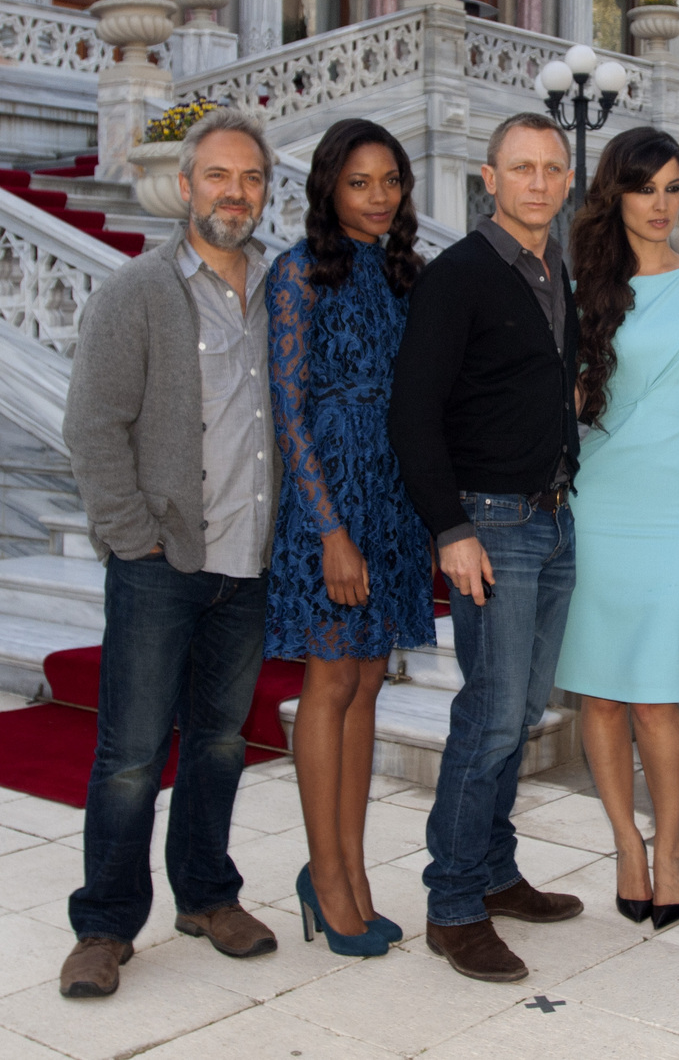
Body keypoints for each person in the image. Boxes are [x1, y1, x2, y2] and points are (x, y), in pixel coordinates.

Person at [58, 107, 282, 999]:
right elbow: (92, 426)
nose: (236, 193)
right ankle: (106, 925)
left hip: (250, 562)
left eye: (252, 178)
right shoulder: (137, 292)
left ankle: (206, 894)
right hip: (161, 563)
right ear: (186, 185)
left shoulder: (281, 288)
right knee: (130, 753)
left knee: (222, 742)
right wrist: (131, 535)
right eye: (219, 176)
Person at [388, 111, 588, 983]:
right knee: (493, 711)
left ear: (567, 178)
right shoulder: (460, 276)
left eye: (552, 167)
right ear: (489, 177)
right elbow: (413, 412)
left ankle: (495, 867)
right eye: (522, 167)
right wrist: (451, 527)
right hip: (491, 523)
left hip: (551, 518)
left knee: (526, 706)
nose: (538, 181)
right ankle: (453, 902)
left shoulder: (555, 269)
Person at [555, 127, 679, 932]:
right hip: (595, 504)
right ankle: (625, 846)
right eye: (648, 188)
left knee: (660, 696)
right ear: (617, 196)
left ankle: (672, 848)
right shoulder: (579, 290)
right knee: (599, 692)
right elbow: (563, 404)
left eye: (675, 187)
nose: (663, 203)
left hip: (674, 507)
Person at [267, 118, 435, 958]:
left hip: (395, 499)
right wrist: (330, 529)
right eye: (361, 182)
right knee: (330, 677)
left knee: (369, 679)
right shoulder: (297, 274)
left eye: (391, 181)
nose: (378, 197)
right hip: (328, 496)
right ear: (331, 186)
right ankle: (325, 879)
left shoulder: (409, 277)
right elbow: (288, 411)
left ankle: (354, 872)